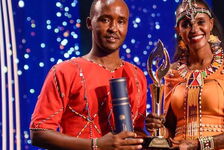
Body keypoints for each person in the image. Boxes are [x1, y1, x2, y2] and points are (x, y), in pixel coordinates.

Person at [145, 0, 224, 149]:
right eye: (186, 24)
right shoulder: (172, 72)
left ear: (211, 24)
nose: (194, 29)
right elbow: (170, 129)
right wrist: (157, 128)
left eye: (200, 21)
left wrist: (199, 144)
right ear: (178, 30)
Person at [30, 0, 147, 149]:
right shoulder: (64, 71)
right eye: (105, 20)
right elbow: (39, 133)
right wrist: (96, 145)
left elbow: (135, 133)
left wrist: (156, 132)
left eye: (121, 21)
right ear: (89, 23)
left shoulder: (136, 75)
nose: (113, 28)